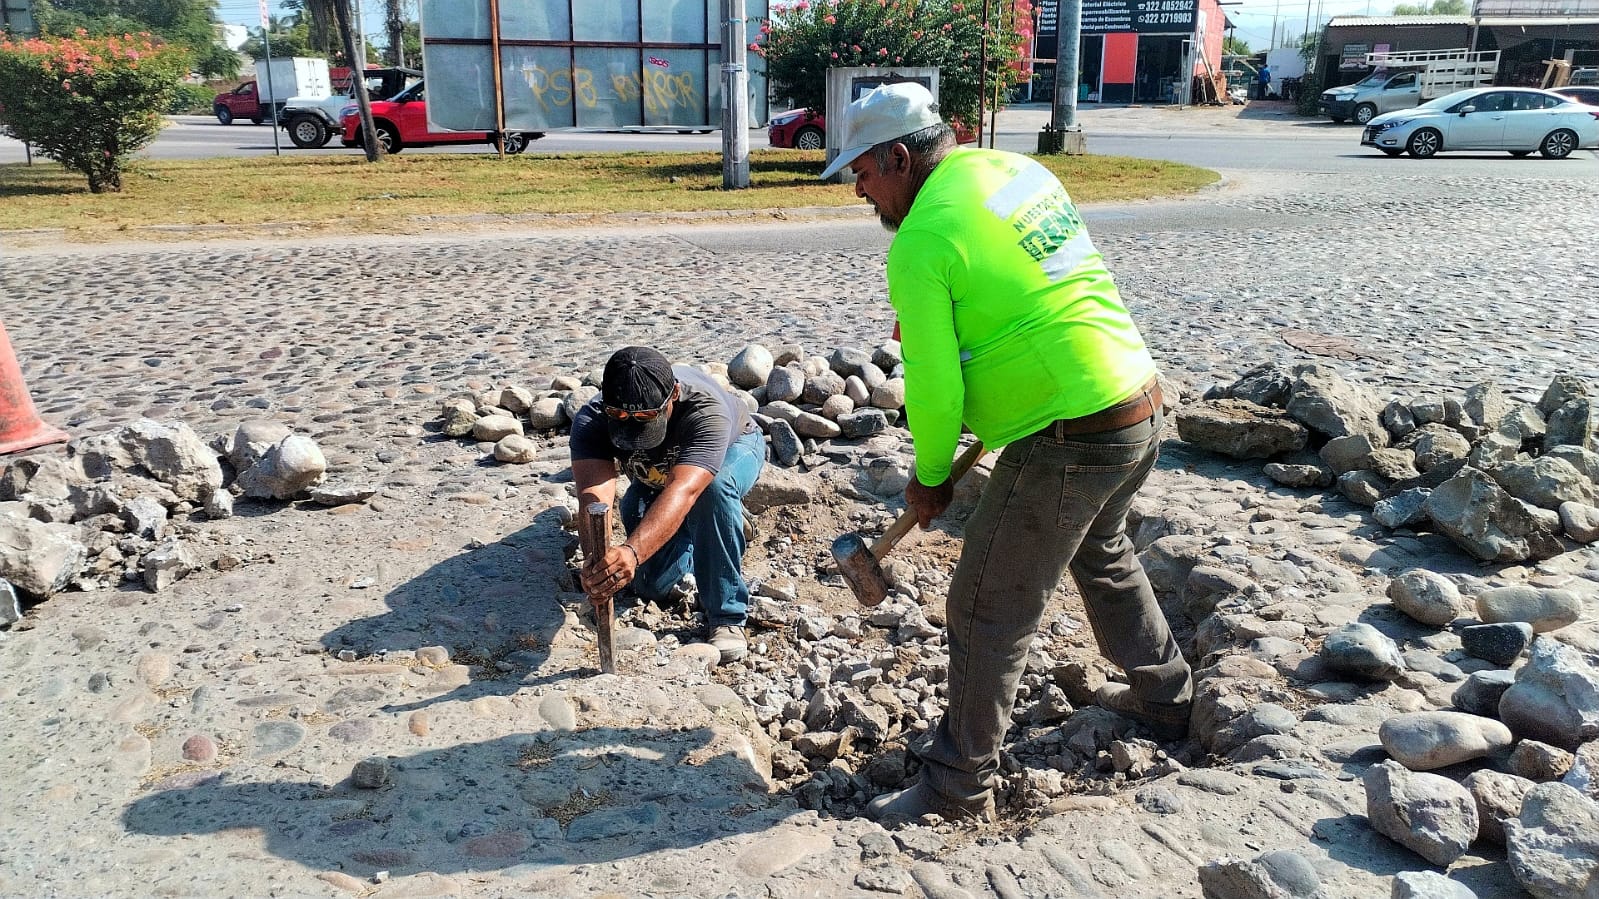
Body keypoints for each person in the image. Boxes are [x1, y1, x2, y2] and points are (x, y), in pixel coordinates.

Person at [819, 83, 1193, 822]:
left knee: (985, 606)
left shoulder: (922, 238)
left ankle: (957, 785)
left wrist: (929, 480)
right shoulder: (1015, 172)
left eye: (862, 172)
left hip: (1071, 435)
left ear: (899, 156)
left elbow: (932, 389)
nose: (859, 190)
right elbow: (1037, 294)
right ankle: (1167, 699)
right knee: (1103, 551)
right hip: (1136, 401)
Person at [569, 346, 765, 664]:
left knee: (711, 493)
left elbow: (684, 490)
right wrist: (597, 562)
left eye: (646, 418)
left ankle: (727, 615)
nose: (631, 426)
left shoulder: (705, 411)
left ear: (673, 394)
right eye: (620, 417)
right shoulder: (592, 419)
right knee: (651, 584)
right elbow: (594, 500)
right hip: (655, 476)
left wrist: (631, 551)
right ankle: (709, 528)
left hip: (734, 450)